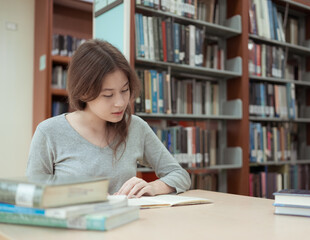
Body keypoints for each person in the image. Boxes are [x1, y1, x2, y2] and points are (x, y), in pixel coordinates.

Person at [27, 39, 191, 198]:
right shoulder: (49, 132)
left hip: (128, 223)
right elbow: (31, 191)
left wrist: (153, 187)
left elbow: (180, 175)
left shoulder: (135, 127)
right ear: (84, 92)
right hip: (75, 224)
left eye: (124, 90)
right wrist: (79, 194)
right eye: (108, 95)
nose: (120, 103)